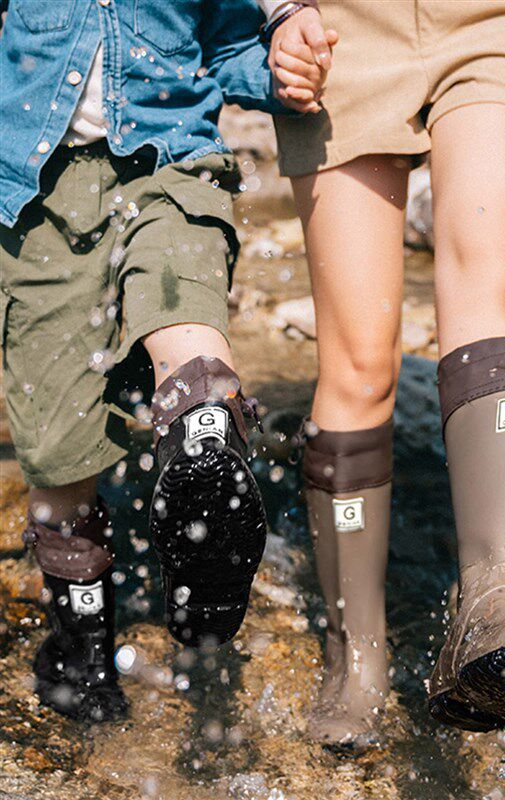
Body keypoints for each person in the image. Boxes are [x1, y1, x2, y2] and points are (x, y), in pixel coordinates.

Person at [0, 0, 329, 722]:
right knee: (58, 450)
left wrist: (284, 67)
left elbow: (229, 43)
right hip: (37, 189)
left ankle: (207, 489)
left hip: (174, 163)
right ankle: (81, 648)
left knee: (183, 314)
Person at [267, 0, 505, 750]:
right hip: (340, 30)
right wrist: (278, 12)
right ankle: (357, 660)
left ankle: (494, 597)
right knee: (359, 359)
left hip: (490, 16)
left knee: (491, 277)